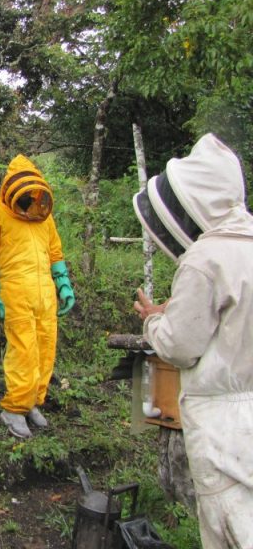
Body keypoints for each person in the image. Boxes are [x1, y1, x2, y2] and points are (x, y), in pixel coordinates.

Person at [132, 133, 253, 548]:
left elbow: (180, 346)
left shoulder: (206, 257)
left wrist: (153, 321)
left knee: (227, 527)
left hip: (222, 421)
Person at [0, 154, 74, 439]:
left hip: (45, 294)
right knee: (23, 350)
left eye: (35, 195)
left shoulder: (45, 217)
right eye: (27, 196)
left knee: (45, 348)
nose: (32, 201)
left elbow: (55, 252)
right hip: (15, 292)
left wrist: (63, 284)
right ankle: (14, 408)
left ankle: (33, 401)